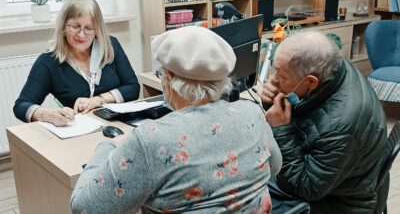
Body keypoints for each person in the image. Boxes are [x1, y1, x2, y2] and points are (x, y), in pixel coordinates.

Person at [70, 26, 282, 213]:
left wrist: (107, 145)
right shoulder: (251, 112)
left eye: (161, 74)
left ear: (169, 77)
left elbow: (84, 207)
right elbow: (274, 167)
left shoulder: (151, 140)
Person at [261, 31, 388, 213]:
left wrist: (281, 129)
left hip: (339, 202)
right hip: (337, 177)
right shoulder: (332, 68)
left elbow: (306, 188)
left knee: (251, 192)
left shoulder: (341, 128)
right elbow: (307, 114)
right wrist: (272, 101)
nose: (272, 80)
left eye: (280, 75)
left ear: (311, 81)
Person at [13, 0, 140, 126]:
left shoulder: (110, 46)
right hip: (80, 131)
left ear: (97, 29)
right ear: (63, 26)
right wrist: (46, 114)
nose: (81, 34)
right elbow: (20, 106)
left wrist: (98, 100)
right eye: (75, 26)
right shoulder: (49, 61)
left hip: (119, 124)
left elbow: (133, 88)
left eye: (89, 28)